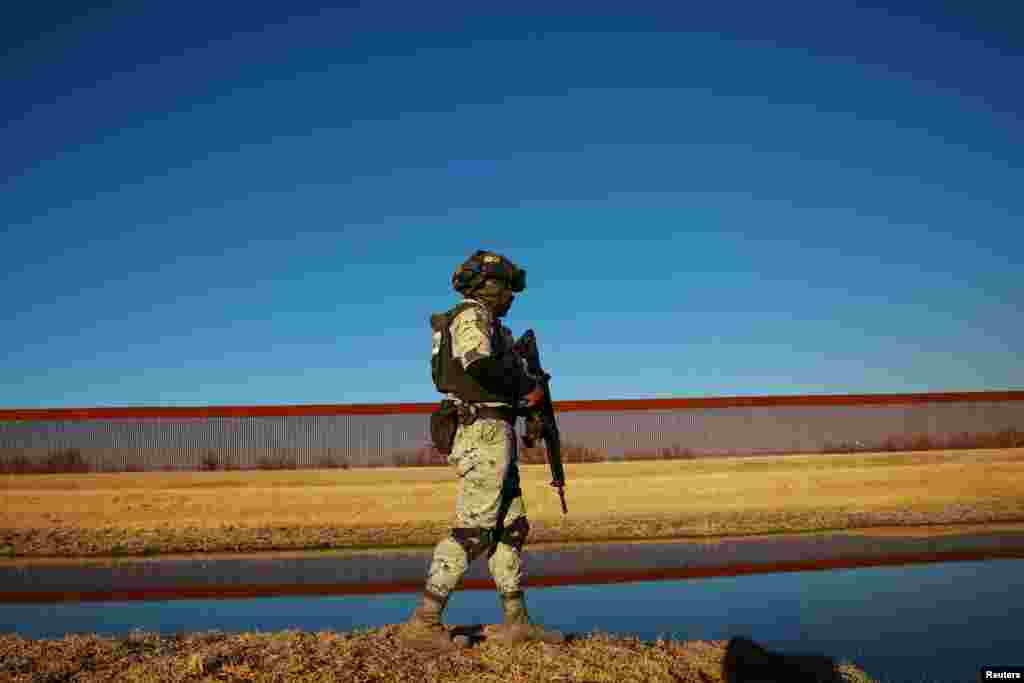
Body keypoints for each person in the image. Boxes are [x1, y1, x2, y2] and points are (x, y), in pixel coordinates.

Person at [399, 250, 566, 652]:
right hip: (483, 432)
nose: (511, 296)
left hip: (497, 430)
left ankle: (517, 622)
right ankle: (424, 622)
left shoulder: (490, 322)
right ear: (487, 286)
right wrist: (526, 387)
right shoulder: (471, 316)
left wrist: (528, 407)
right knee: (473, 529)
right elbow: (478, 365)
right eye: (506, 287)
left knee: (511, 527)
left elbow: (495, 375)